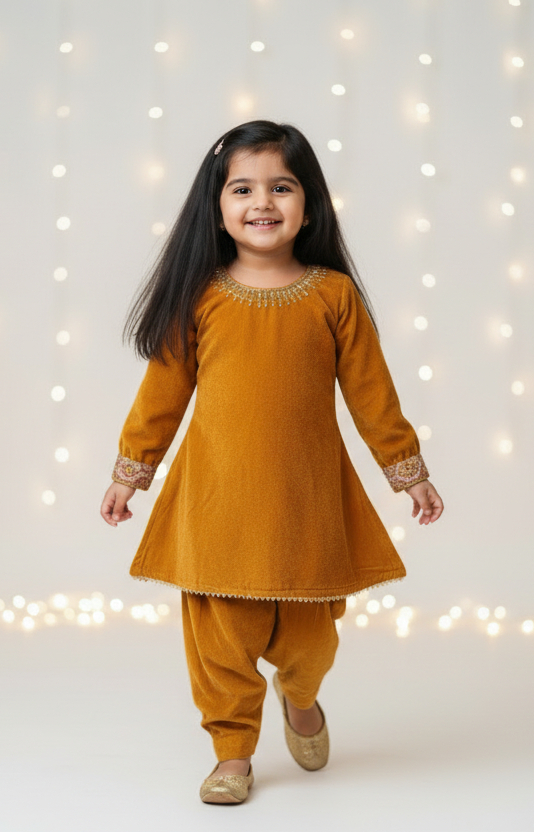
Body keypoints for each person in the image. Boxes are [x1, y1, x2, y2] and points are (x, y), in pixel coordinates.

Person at [100, 119, 444, 804]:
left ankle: (301, 694)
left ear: (309, 205)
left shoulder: (332, 295)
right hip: (217, 508)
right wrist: (129, 472)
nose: (263, 201)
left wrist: (408, 471)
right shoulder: (200, 297)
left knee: (311, 645)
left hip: (305, 508)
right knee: (220, 644)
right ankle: (232, 754)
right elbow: (161, 395)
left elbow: (372, 394)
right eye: (243, 189)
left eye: (281, 187)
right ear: (217, 207)